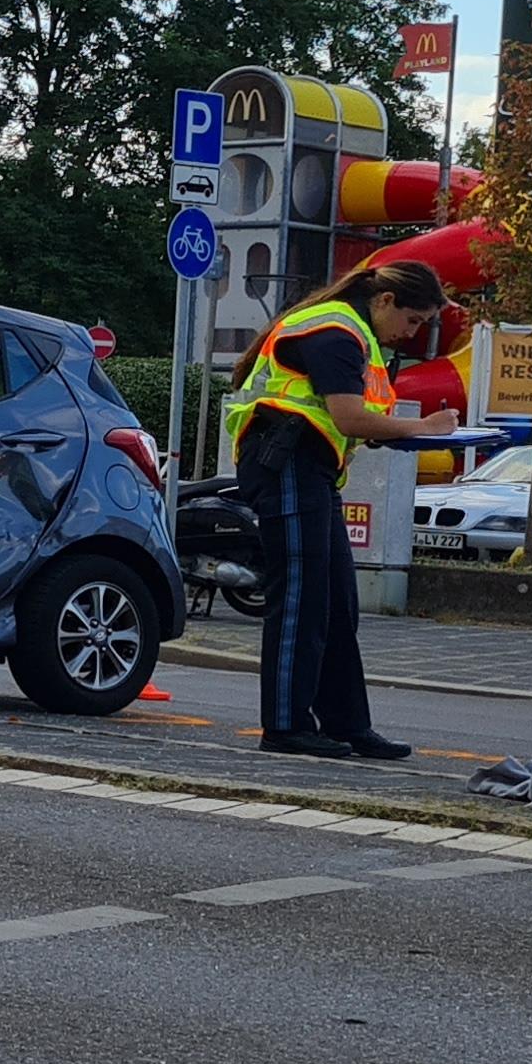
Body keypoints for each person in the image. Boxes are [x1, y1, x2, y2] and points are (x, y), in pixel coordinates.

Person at [221, 259, 460, 759]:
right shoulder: (335, 331)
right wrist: (423, 428)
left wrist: (388, 432)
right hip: (286, 463)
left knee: (336, 604)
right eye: (412, 320)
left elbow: (349, 420)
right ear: (385, 301)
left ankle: (346, 725)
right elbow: (349, 417)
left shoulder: (351, 330)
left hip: (307, 468)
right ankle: (285, 727)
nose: (412, 334)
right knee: (301, 600)